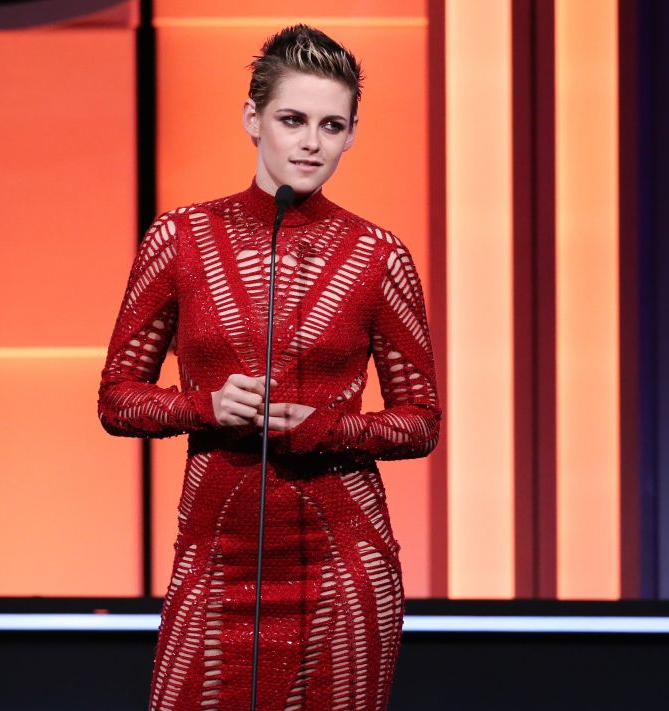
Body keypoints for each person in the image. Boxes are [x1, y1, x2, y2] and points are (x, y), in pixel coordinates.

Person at [98, 24, 440, 711]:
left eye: (331, 125)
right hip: (215, 557)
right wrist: (204, 408)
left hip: (344, 567)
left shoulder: (380, 256)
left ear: (351, 135)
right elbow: (117, 398)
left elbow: (420, 421)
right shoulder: (180, 238)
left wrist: (326, 428)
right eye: (292, 119)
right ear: (253, 119)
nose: (311, 142)